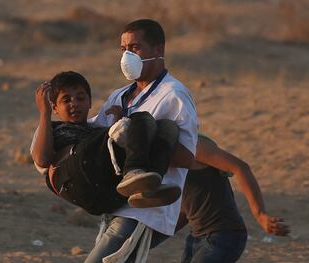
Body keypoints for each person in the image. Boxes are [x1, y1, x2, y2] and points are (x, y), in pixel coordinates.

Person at [85, 19, 198, 262]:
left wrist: (136, 141)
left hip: (146, 210)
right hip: (116, 202)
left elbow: (187, 156)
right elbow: (97, 135)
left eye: (134, 48)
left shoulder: (173, 95)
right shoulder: (120, 96)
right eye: (123, 49)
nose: (127, 55)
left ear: (158, 50)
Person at [30, 71, 183, 215]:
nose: (74, 104)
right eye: (66, 100)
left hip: (109, 193)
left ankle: (148, 187)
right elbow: (42, 159)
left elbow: (106, 155)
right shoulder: (53, 129)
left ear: (89, 103)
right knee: (141, 119)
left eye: (80, 98)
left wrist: (117, 122)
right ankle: (134, 170)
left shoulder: (95, 131)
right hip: (76, 179)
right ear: (55, 108)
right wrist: (45, 113)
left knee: (167, 127)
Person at [176, 134, 290, 263]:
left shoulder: (193, 146)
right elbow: (188, 209)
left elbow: (240, 168)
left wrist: (260, 215)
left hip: (223, 235)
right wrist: (152, 236)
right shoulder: (164, 159)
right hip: (196, 238)